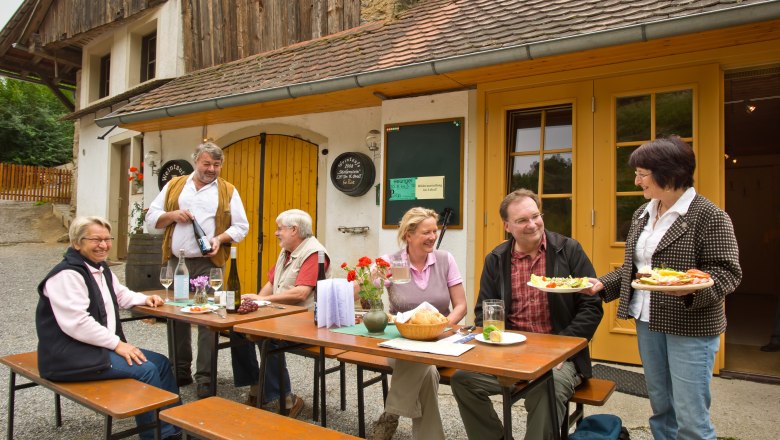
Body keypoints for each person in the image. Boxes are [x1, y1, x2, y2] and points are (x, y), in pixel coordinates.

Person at [582, 136, 742, 440]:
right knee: (661, 407)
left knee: (691, 416)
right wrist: (602, 283)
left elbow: (727, 273)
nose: (636, 180)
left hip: (691, 325)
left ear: (668, 174)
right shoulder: (643, 213)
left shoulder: (709, 216)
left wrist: (692, 289)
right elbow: (639, 270)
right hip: (648, 322)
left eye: (642, 173)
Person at [450, 189, 603, 440]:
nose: (532, 224)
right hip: (510, 352)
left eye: (535, 216)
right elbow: (483, 311)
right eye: (522, 220)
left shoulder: (569, 250)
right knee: (463, 380)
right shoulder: (496, 259)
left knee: (546, 387)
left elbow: (591, 306)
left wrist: (562, 348)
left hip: (560, 354)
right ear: (507, 226)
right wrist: (493, 340)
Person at [36, 216, 181, 440]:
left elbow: (120, 293)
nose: (103, 245)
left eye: (107, 239)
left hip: (94, 349)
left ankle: (173, 429)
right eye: (95, 239)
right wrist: (118, 344)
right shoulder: (67, 275)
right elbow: (78, 324)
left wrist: (144, 299)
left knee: (161, 363)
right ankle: (156, 436)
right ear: (77, 243)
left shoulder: (98, 268)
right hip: (70, 356)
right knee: (146, 370)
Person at [146, 141, 249, 398]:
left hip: (208, 264)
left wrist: (220, 239)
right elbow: (151, 218)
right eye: (207, 163)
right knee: (177, 315)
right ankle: (180, 370)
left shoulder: (228, 190)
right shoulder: (175, 185)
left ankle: (205, 377)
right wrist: (173, 215)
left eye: (216, 165)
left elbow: (241, 226)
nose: (211, 169)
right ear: (196, 162)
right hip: (177, 261)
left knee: (209, 319)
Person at [367, 207, 467, 440]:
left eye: (434, 231)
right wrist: (369, 281)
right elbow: (363, 290)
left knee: (427, 367)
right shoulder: (390, 262)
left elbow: (461, 305)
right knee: (427, 370)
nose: (433, 237)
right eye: (426, 232)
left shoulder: (445, 260)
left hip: (441, 339)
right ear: (408, 235)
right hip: (399, 340)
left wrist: (441, 326)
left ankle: (391, 413)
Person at [234, 209, 331, 418]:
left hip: (305, 321)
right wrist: (254, 306)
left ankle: (287, 399)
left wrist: (263, 301)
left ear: (294, 230)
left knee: (268, 337)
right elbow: (271, 282)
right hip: (280, 316)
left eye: (280, 229)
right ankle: (255, 387)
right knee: (237, 330)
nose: (276, 233)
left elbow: (301, 293)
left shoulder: (314, 253)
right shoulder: (286, 250)